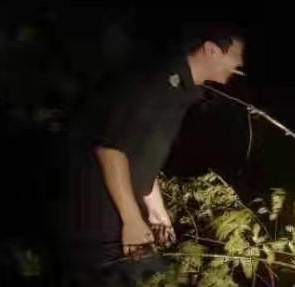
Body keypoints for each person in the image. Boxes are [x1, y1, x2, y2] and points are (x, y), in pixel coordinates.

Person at [64, 23, 246, 272]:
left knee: (157, 278)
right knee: (124, 286)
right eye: (237, 55)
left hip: (124, 208)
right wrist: (131, 220)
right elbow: (111, 150)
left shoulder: (180, 92)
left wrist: (156, 212)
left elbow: (142, 156)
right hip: (101, 215)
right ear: (211, 50)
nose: (240, 64)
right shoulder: (155, 82)